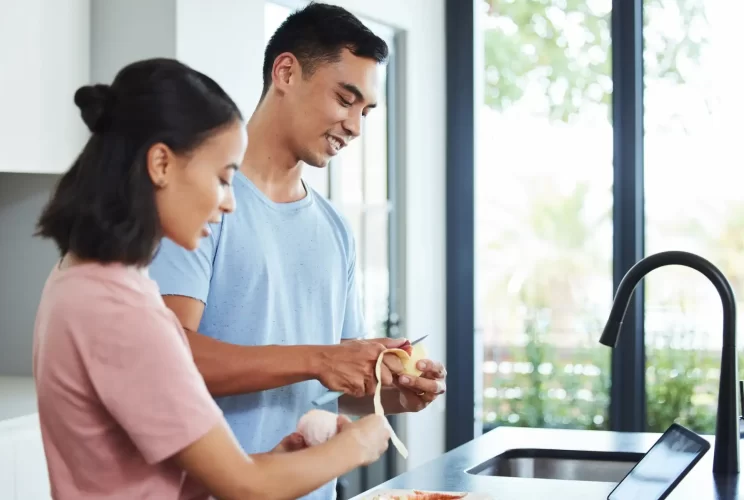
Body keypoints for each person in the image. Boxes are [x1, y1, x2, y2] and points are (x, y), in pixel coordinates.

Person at [31, 57, 391, 500]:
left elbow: (138, 478)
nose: (229, 204)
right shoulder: (120, 310)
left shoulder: (83, 283)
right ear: (161, 164)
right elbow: (245, 486)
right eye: (222, 179)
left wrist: (279, 461)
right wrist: (359, 443)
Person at [149, 4, 448, 498]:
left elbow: (332, 389)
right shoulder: (199, 203)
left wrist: (395, 393)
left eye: (366, 112)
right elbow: (168, 358)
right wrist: (319, 358)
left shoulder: (335, 230)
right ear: (285, 72)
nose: (354, 125)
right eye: (345, 98)